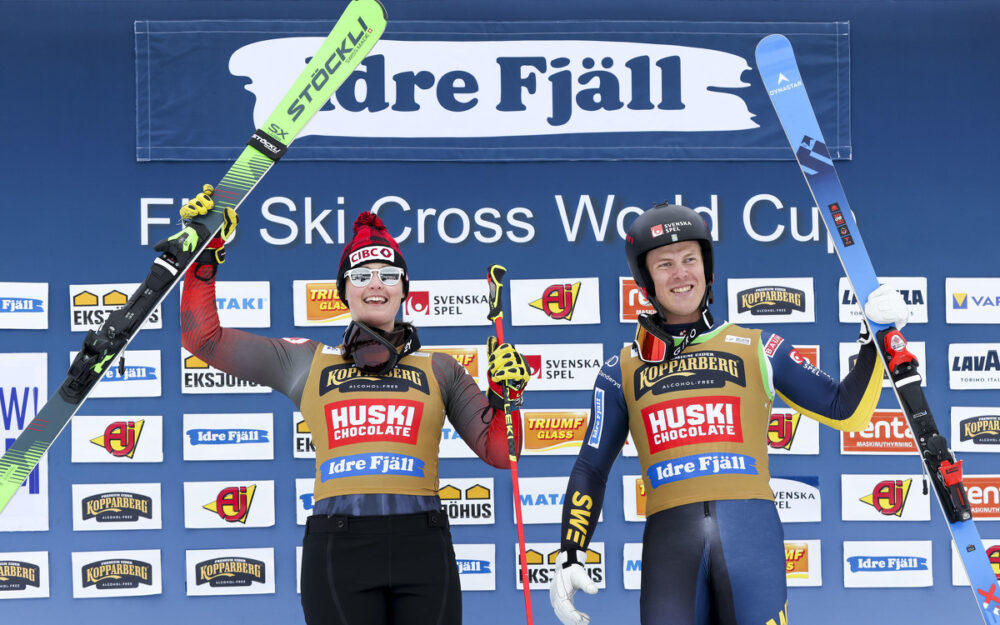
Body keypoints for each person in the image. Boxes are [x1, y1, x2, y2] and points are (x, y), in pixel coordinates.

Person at [177, 186, 530, 625]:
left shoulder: (441, 368)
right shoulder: (308, 361)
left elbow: (501, 453)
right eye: (361, 276)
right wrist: (206, 258)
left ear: (405, 288)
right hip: (338, 548)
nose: (375, 284)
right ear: (343, 290)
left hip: (422, 543)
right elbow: (202, 339)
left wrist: (507, 397)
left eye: (387, 273)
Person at [548, 203, 909, 625]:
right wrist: (571, 552)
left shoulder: (758, 346)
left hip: (750, 538)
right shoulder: (621, 370)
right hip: (670, 547)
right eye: (665, 264)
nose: (681, 274)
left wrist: (874, 343)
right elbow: (591, 468)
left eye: (689, 260)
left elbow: (843, 410)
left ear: (708, 269)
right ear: (646, 281)